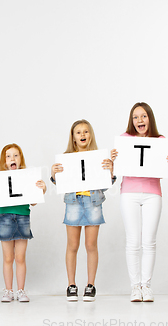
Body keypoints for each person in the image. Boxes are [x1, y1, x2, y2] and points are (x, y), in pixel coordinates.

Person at [111, 102, 168, 302]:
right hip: (129, 193)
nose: (140, 120)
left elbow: (161, 172)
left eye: (144, 116)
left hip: (152, 193)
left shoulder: (160, 140)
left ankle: (146, 285)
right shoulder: (124, 140)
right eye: (136, 117)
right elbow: (115, 170)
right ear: (132, 121)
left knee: (149, 241)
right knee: (133, 242)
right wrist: (113, 160)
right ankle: (135, 287)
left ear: (150, 118)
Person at [51, 120, 115, 302]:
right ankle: (71, 285)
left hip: (93, 201)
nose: (82, 135)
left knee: (91, 245)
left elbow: (106, 185)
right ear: (73, 137)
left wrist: (110, 172)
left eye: (86, 131)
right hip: (73, 202)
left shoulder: (99, 157)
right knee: (72, 245)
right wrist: (54, 175)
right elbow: (60, 184)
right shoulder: (66, 158)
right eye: (78, 132)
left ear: (90, 135)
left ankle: (90, 285)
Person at [0, 143, 46, 302]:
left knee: (20, 257)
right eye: (9, 156)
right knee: (8, 258)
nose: (13, 158)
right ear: (4, 162)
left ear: (20, 159)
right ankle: (8, 291)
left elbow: (33, 202)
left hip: (23, 217)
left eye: (16, 155)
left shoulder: (27, 177)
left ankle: (21, 290)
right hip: (5, 217)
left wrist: (42, 189)